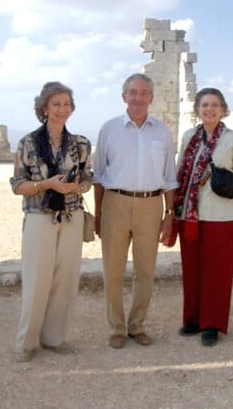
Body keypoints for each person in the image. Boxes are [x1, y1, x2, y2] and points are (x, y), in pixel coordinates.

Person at [9, 82, 93, 362]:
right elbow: (17, 185)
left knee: (66, 281)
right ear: (44, 108)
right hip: (39, 218)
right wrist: (47, 185)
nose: (62, 109)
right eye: (56, 104)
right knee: (36, 281)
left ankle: (54, 338)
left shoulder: (80, 143)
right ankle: (26, 343)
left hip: (72, 217)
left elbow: (87, 180)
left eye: (67, 104)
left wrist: (76, 188)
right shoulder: (28, 143)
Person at [93, 73, 178, 349]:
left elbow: (169, 177)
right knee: (113, 271)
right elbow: (99, 177)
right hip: (115, 204)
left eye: (143, 93)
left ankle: (137, 325)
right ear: (123, 97)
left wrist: (169, 215)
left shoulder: (162, 132)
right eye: (132, 92)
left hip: (151, 206)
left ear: (151, 98)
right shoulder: (109, 130)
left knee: (145, 271)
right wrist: (99, 214)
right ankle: (116, 328)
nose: (138, 98)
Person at [174, 87, 233, 347]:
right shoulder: (188, 137)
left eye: (215, 105)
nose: (209, 109)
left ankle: (212, 324)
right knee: (192, 269)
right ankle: (194, 318)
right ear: (197, 109)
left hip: (222, 216)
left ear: (223, 109)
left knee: (217, 272)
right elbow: (179, 172)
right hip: (191, 214)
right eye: (205, 105)